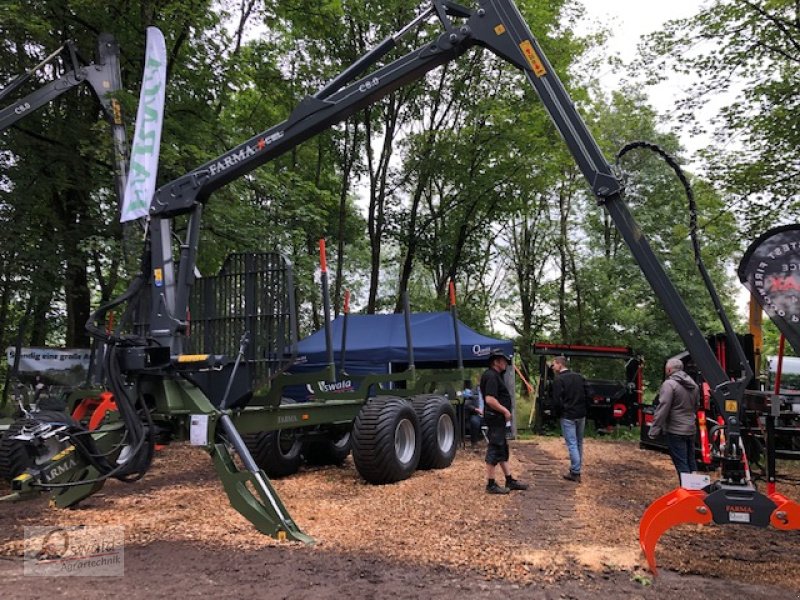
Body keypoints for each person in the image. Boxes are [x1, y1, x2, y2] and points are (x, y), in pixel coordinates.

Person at [480, 348, 528, 494]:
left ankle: (509, 479)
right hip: (495, 417)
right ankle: (491, 484)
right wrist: (505, 411)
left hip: (497, 418)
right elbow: (490, 399)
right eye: (504, 361)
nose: (506, 364)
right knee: (495, 448)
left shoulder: (495, 376)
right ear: (496, 362)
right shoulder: (491, 376)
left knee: (501, 448)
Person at [649, 357, 699, 478]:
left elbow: (663, 408)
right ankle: (696, 489)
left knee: (682, 464)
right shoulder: (694, 385)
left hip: (676, 430)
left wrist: (654, 430)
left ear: (669, 369)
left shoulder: (669, 384)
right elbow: (696, 406)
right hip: (690, 428)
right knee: (691, 462)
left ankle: (688, 492)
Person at [550, 355, 588, 483]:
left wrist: (557, 413)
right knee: (579, 443)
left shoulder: (559, 380)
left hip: (568, 415)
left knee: (571, 443)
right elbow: (587, 393)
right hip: (581, 414)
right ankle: (576, 468)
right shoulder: (579, 377)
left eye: (553, 364)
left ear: (560, 364)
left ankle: (575, 471)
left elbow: (556, 400)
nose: (552, 367)